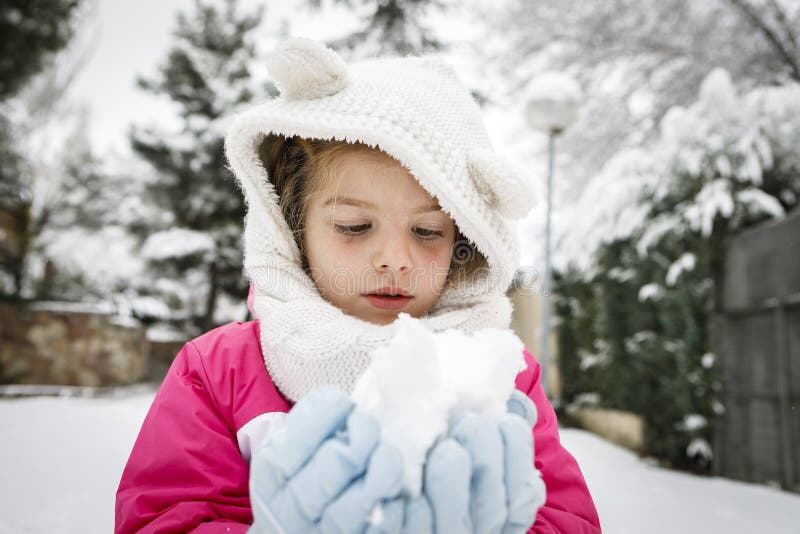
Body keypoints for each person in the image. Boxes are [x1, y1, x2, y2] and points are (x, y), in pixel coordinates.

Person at [115, 38, 601, 533]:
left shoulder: (503, 377)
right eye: (353, 226)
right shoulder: (218, 373)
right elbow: (161, 519)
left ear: (468, 241)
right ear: (293, 230)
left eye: (428, 231)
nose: (394, 260)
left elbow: (567, 520)